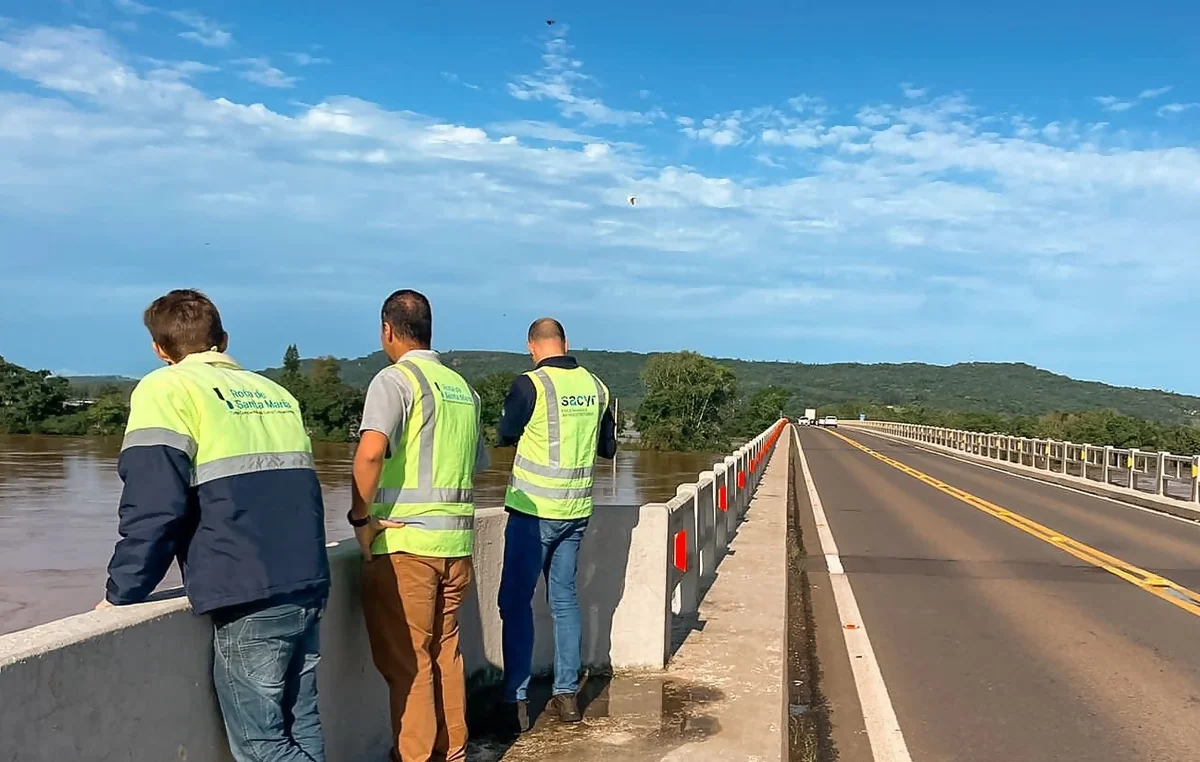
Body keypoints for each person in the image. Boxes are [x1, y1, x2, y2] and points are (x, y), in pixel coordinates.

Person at [100, 289, 330, 762]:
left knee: (264, 747)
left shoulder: (167, 388)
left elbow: (154, 507)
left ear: (160, 350)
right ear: (223, 340)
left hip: (247, 591)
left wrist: (121, 592)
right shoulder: (276, 391)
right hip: (307, 581)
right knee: (302, 729)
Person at [349, 289, 488, 762]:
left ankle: (416, 757)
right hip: (456, 545)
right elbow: (477, 463)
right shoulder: (463, 391)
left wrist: (360, 518)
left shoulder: (394, 381)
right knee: (445, 652)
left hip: (407, 544)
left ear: (387, 330)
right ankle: (453, 752)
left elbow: (369, 453)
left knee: (409, 663)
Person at [496, 317, 617, 732]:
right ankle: (567, 697)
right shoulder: (597, 388)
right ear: (565, 342)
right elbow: (608, 448)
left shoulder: (530, 384)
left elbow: (505, 434)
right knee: (564, 601)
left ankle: (516, 703)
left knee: (514, 604)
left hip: (533, 515)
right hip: (576, 512)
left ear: (533, 347)